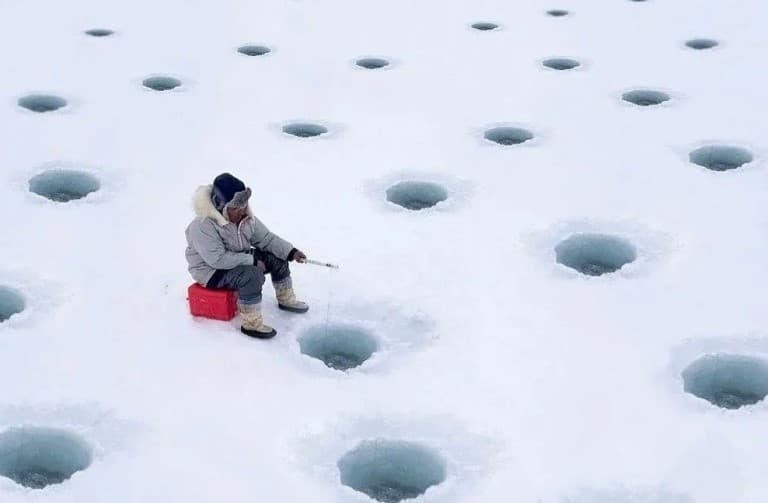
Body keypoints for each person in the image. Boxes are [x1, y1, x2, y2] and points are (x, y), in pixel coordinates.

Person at [185, 173, 308, 338]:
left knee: (276, 257)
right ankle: (251, 324)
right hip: (211, 271)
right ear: (221, 205)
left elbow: (266, 239)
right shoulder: (202, 225)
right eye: (235, 207)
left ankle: (286, 299)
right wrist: (252, 261)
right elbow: (217, 259)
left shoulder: (246, 218)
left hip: (237, 258)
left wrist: (291, 252)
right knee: (252, 275)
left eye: (243, 205)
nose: (241, 210)